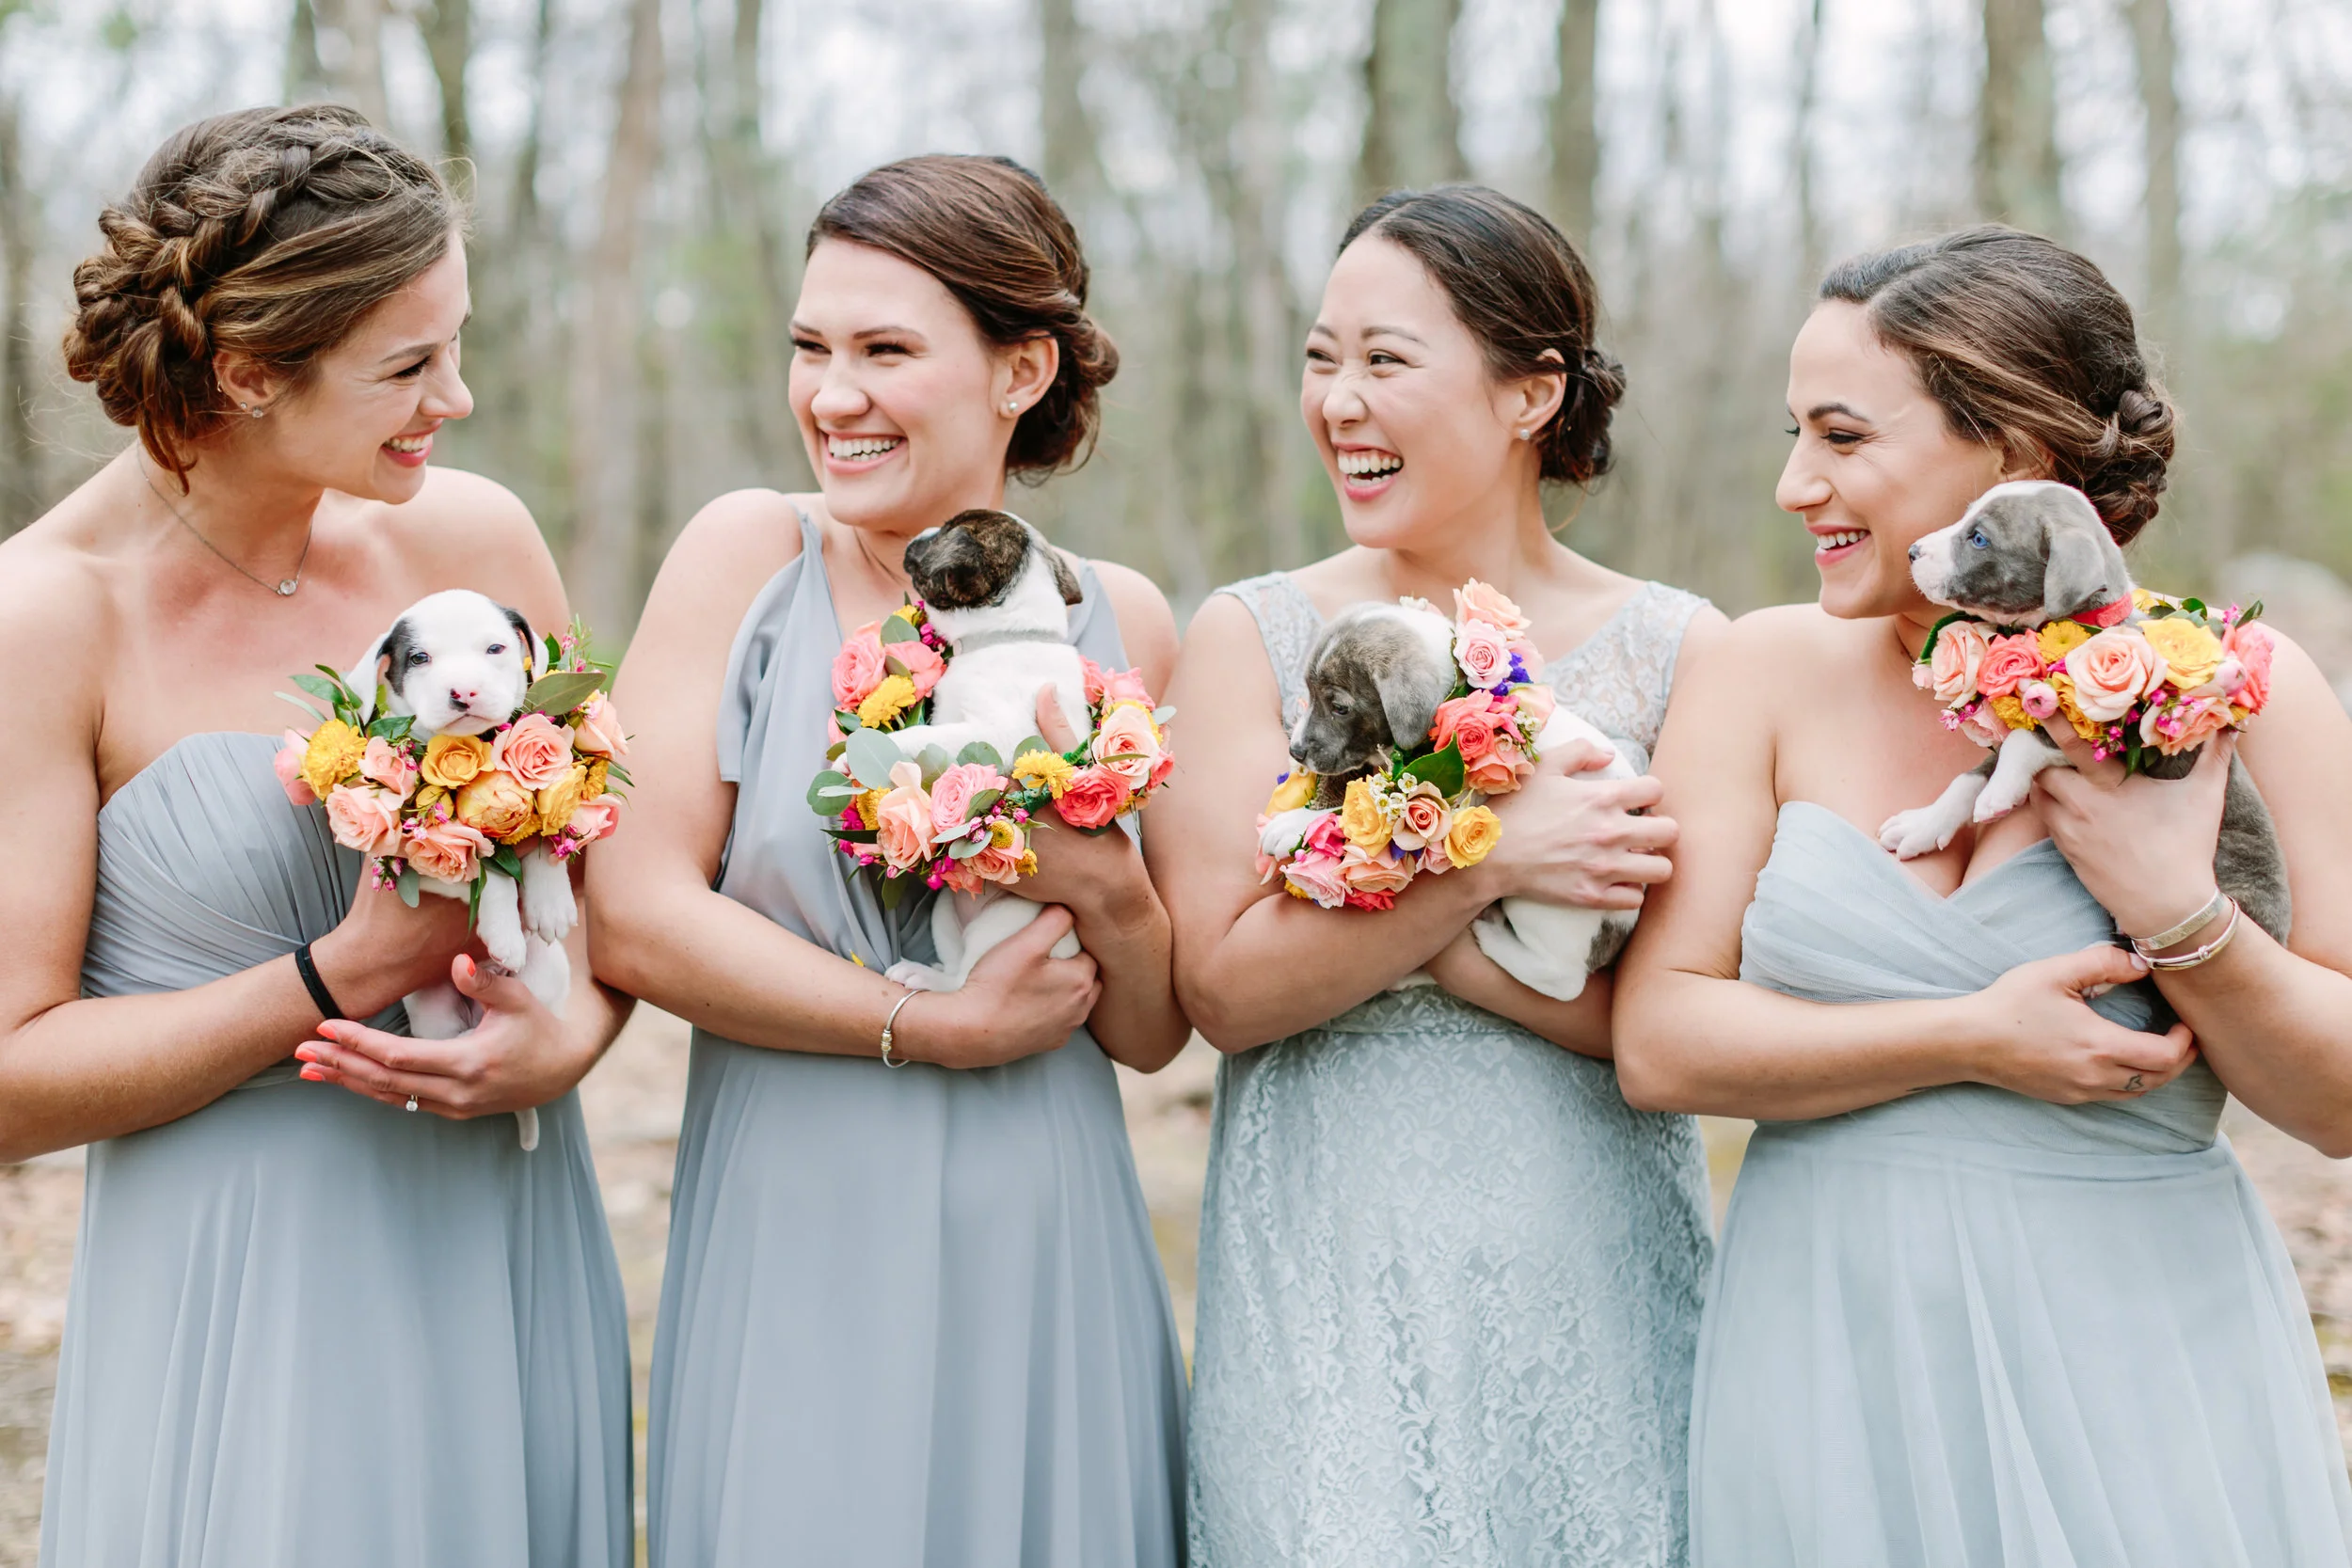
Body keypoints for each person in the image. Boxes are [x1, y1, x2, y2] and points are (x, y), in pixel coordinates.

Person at [1615, 225, 2352, 1566]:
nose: (1794, 484)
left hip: (2137, 1349)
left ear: (2012, 454)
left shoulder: (2244, 686)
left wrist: (2179, 911)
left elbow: (2339, 1103)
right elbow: (1662, 1043)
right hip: (1829, 1344)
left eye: (1842, 437)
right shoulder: (1758, 671)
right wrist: (1972, 1037)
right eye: (1795, 434)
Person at [0, 105, 632, 1567]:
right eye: (408, 367)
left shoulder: (474, 544)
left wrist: (572, 1035)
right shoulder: (43, 619)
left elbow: (609, 891)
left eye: (455, 345)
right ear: (246, 373)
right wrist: (338, 972)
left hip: (506, 1223)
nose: (456, 397)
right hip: (242, 1290)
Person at [589, 153, 1188, 1567]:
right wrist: (928, 1025)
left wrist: (1108, 887)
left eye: (885, 351)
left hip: (1045, 1222)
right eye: (812, 347)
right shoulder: (750, 555)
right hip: (798, 1203)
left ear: (1021, 369)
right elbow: (635, 912)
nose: (832, 395)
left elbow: (1153, 1030)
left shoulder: (1123, 618)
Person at [1155, 183, 1724, 1565]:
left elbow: (1657, 1033)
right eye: (1321, 358)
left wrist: (1404, 928)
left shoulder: (1680, 650)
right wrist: (1486, 864)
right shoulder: (1250, 635)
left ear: (1533, 393)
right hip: (1327, 1263)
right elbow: (1223, 990)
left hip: (1588, 1256)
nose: (1340, 401)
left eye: (1386, 360)